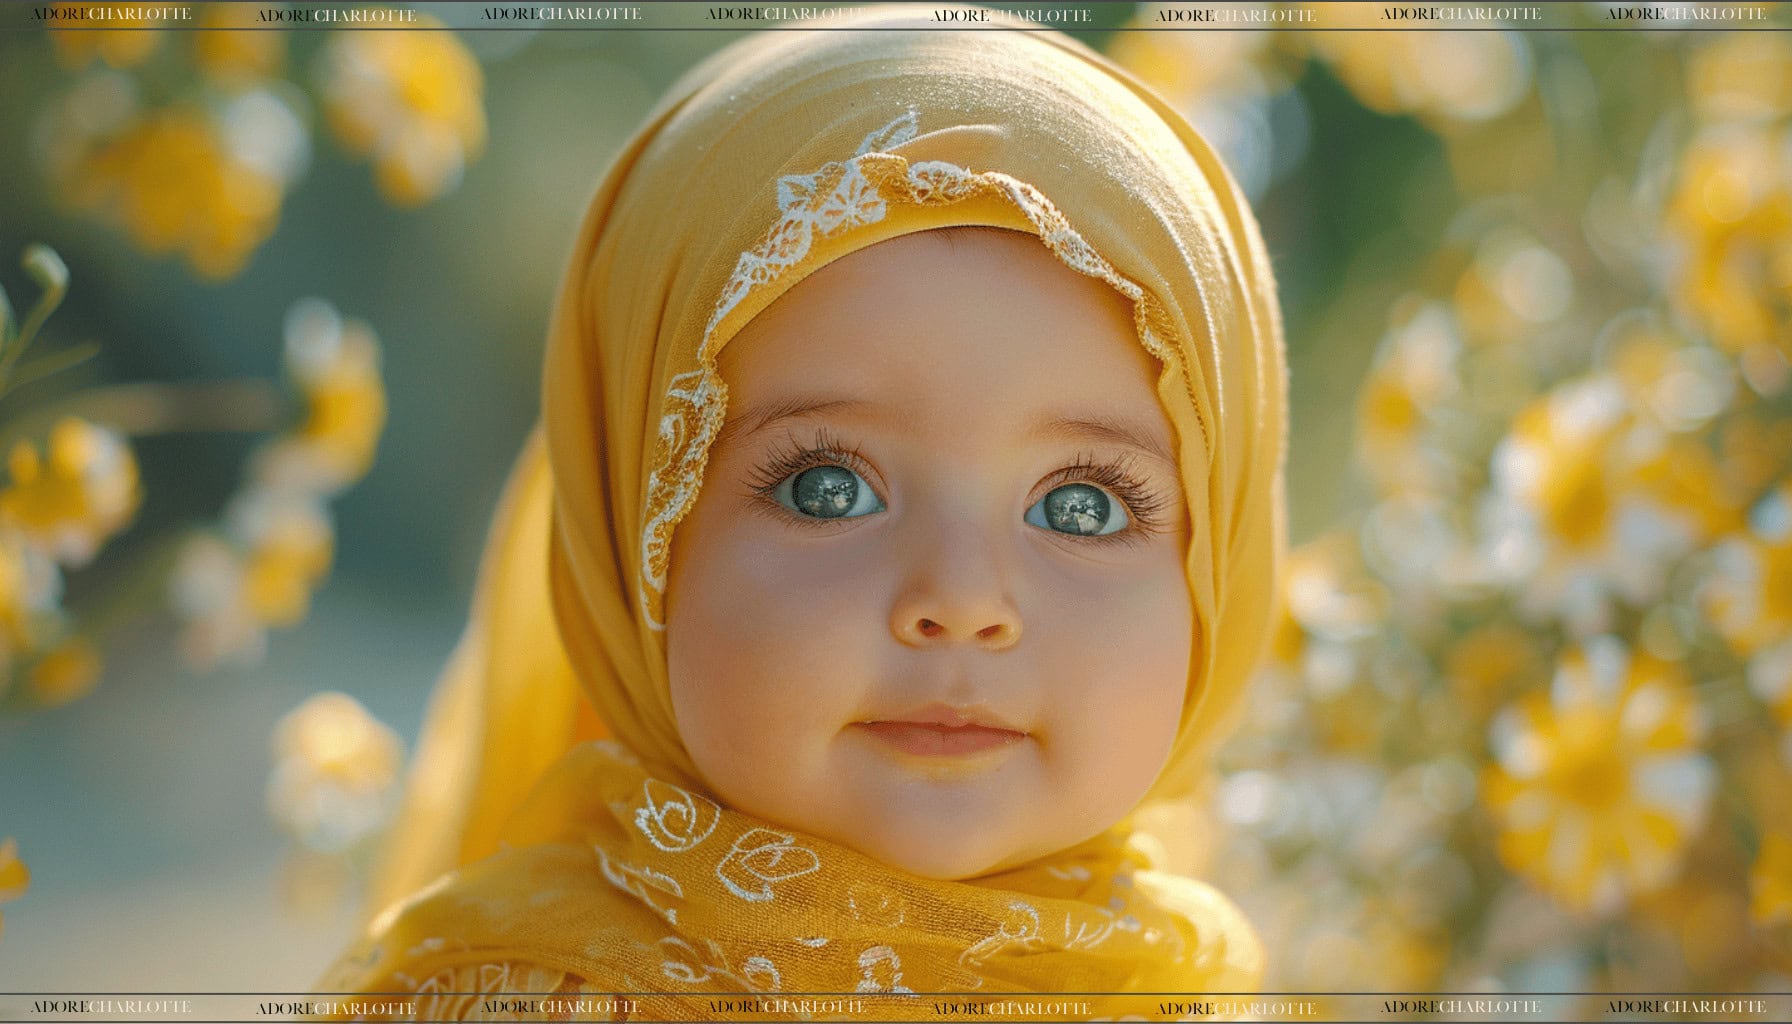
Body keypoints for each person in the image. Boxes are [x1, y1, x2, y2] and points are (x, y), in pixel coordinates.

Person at [314, 6, 1288, 1019]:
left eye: (1082, 506)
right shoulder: (508, 998)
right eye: (828, 487)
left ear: (1216, 564)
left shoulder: (1185, 989)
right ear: (634, 544)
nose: (959, 599)